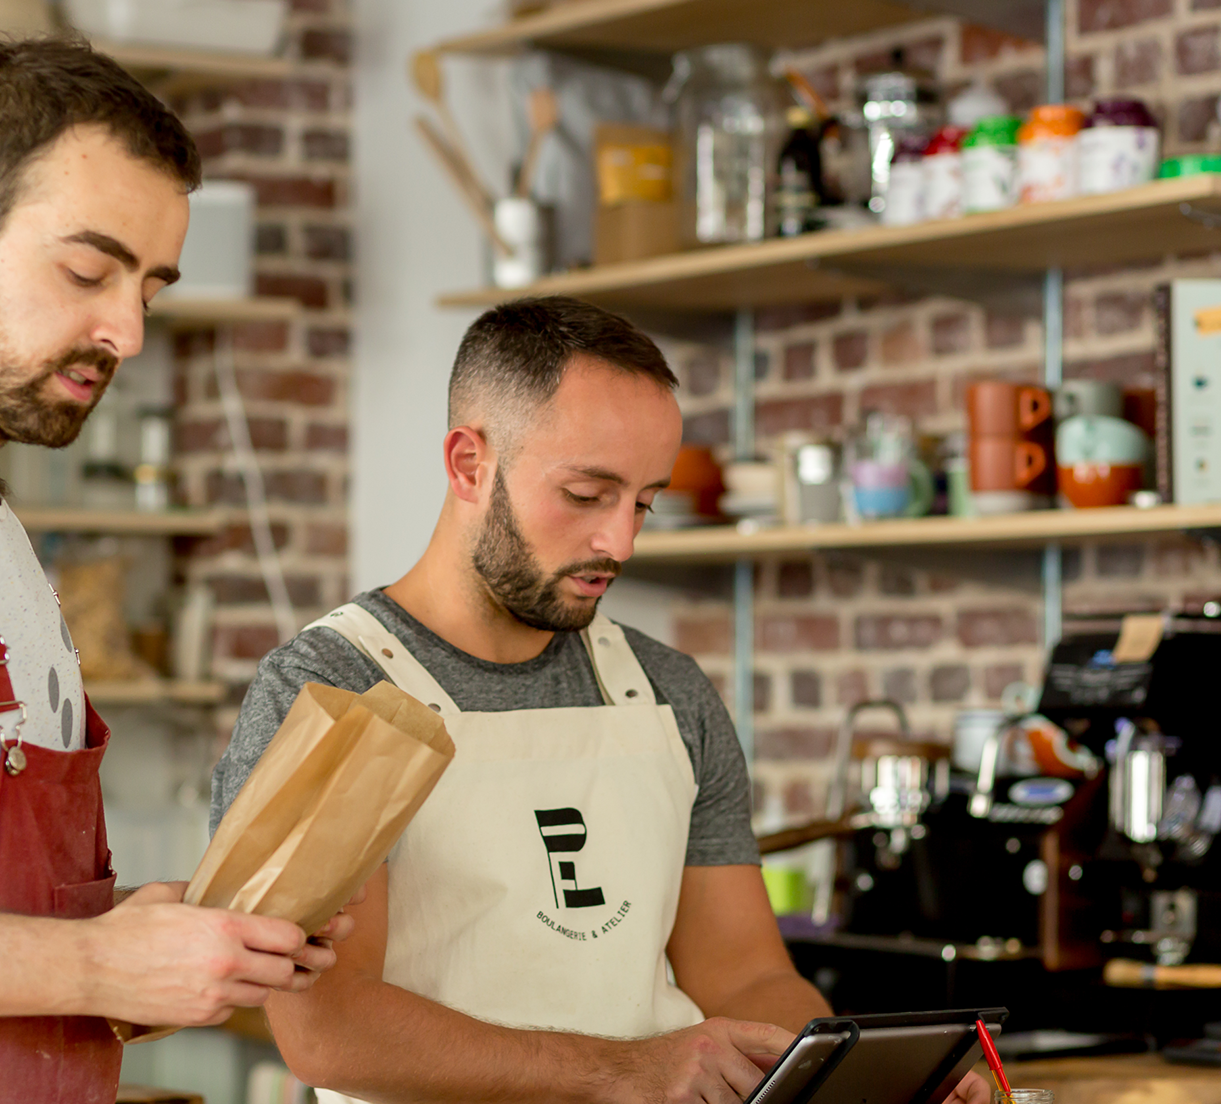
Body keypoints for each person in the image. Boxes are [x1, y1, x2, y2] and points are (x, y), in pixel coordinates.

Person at [214, 296, 992, 1104]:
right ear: (469, 464)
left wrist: (870, 1083)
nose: (619, 543)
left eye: (644, 502)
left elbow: (747, 977)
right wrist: (628, 1070)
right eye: (587, 494)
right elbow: (331, 1034)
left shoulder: (668, 694)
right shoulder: (336, 689)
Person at [0, 37, 350, 1104]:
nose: (125, 331)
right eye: (86, 270)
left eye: (150, 289)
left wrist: (152, 947)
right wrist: (97, 964)